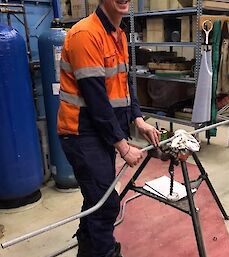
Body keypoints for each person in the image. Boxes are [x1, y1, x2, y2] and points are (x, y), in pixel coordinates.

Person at [57, 0, 160, 256]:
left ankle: (87, 248)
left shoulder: (118, 33)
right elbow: (96, 99)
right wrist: (123, 146)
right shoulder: (85, 34)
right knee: (105, 204)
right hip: (81, 133)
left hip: (101, 132)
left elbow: (125, 85)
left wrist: (138, 119)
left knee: (96, 198)